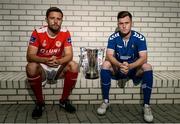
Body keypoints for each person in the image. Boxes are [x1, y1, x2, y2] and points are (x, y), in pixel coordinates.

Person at [97, 11, 154, 122]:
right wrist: (119, 64)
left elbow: (144, 57)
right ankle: (105, 101)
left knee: (147, 66)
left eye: (126, 23)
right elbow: (109, 55)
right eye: (121, 23)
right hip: (118, 68)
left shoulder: (139, 37)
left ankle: (146, 105)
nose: (124, 26)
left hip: (133, 70)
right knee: (105, 64)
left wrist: (131, 65)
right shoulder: (113, 37)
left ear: (131, 23)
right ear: (118, 24)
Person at [26, 7, 79, 119]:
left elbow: (69, 55)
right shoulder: (38, 32)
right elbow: (30, 56)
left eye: (58, 19)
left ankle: (64, 101)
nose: (55, 21)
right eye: (52, 18)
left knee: (74, 65)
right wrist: (46, 60)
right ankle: (40, 103)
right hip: (43, 67)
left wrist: (59, 61)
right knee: (30, 67)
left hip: (57, 67)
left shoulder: (65, 32)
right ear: (46, 19)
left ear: (62, 20)